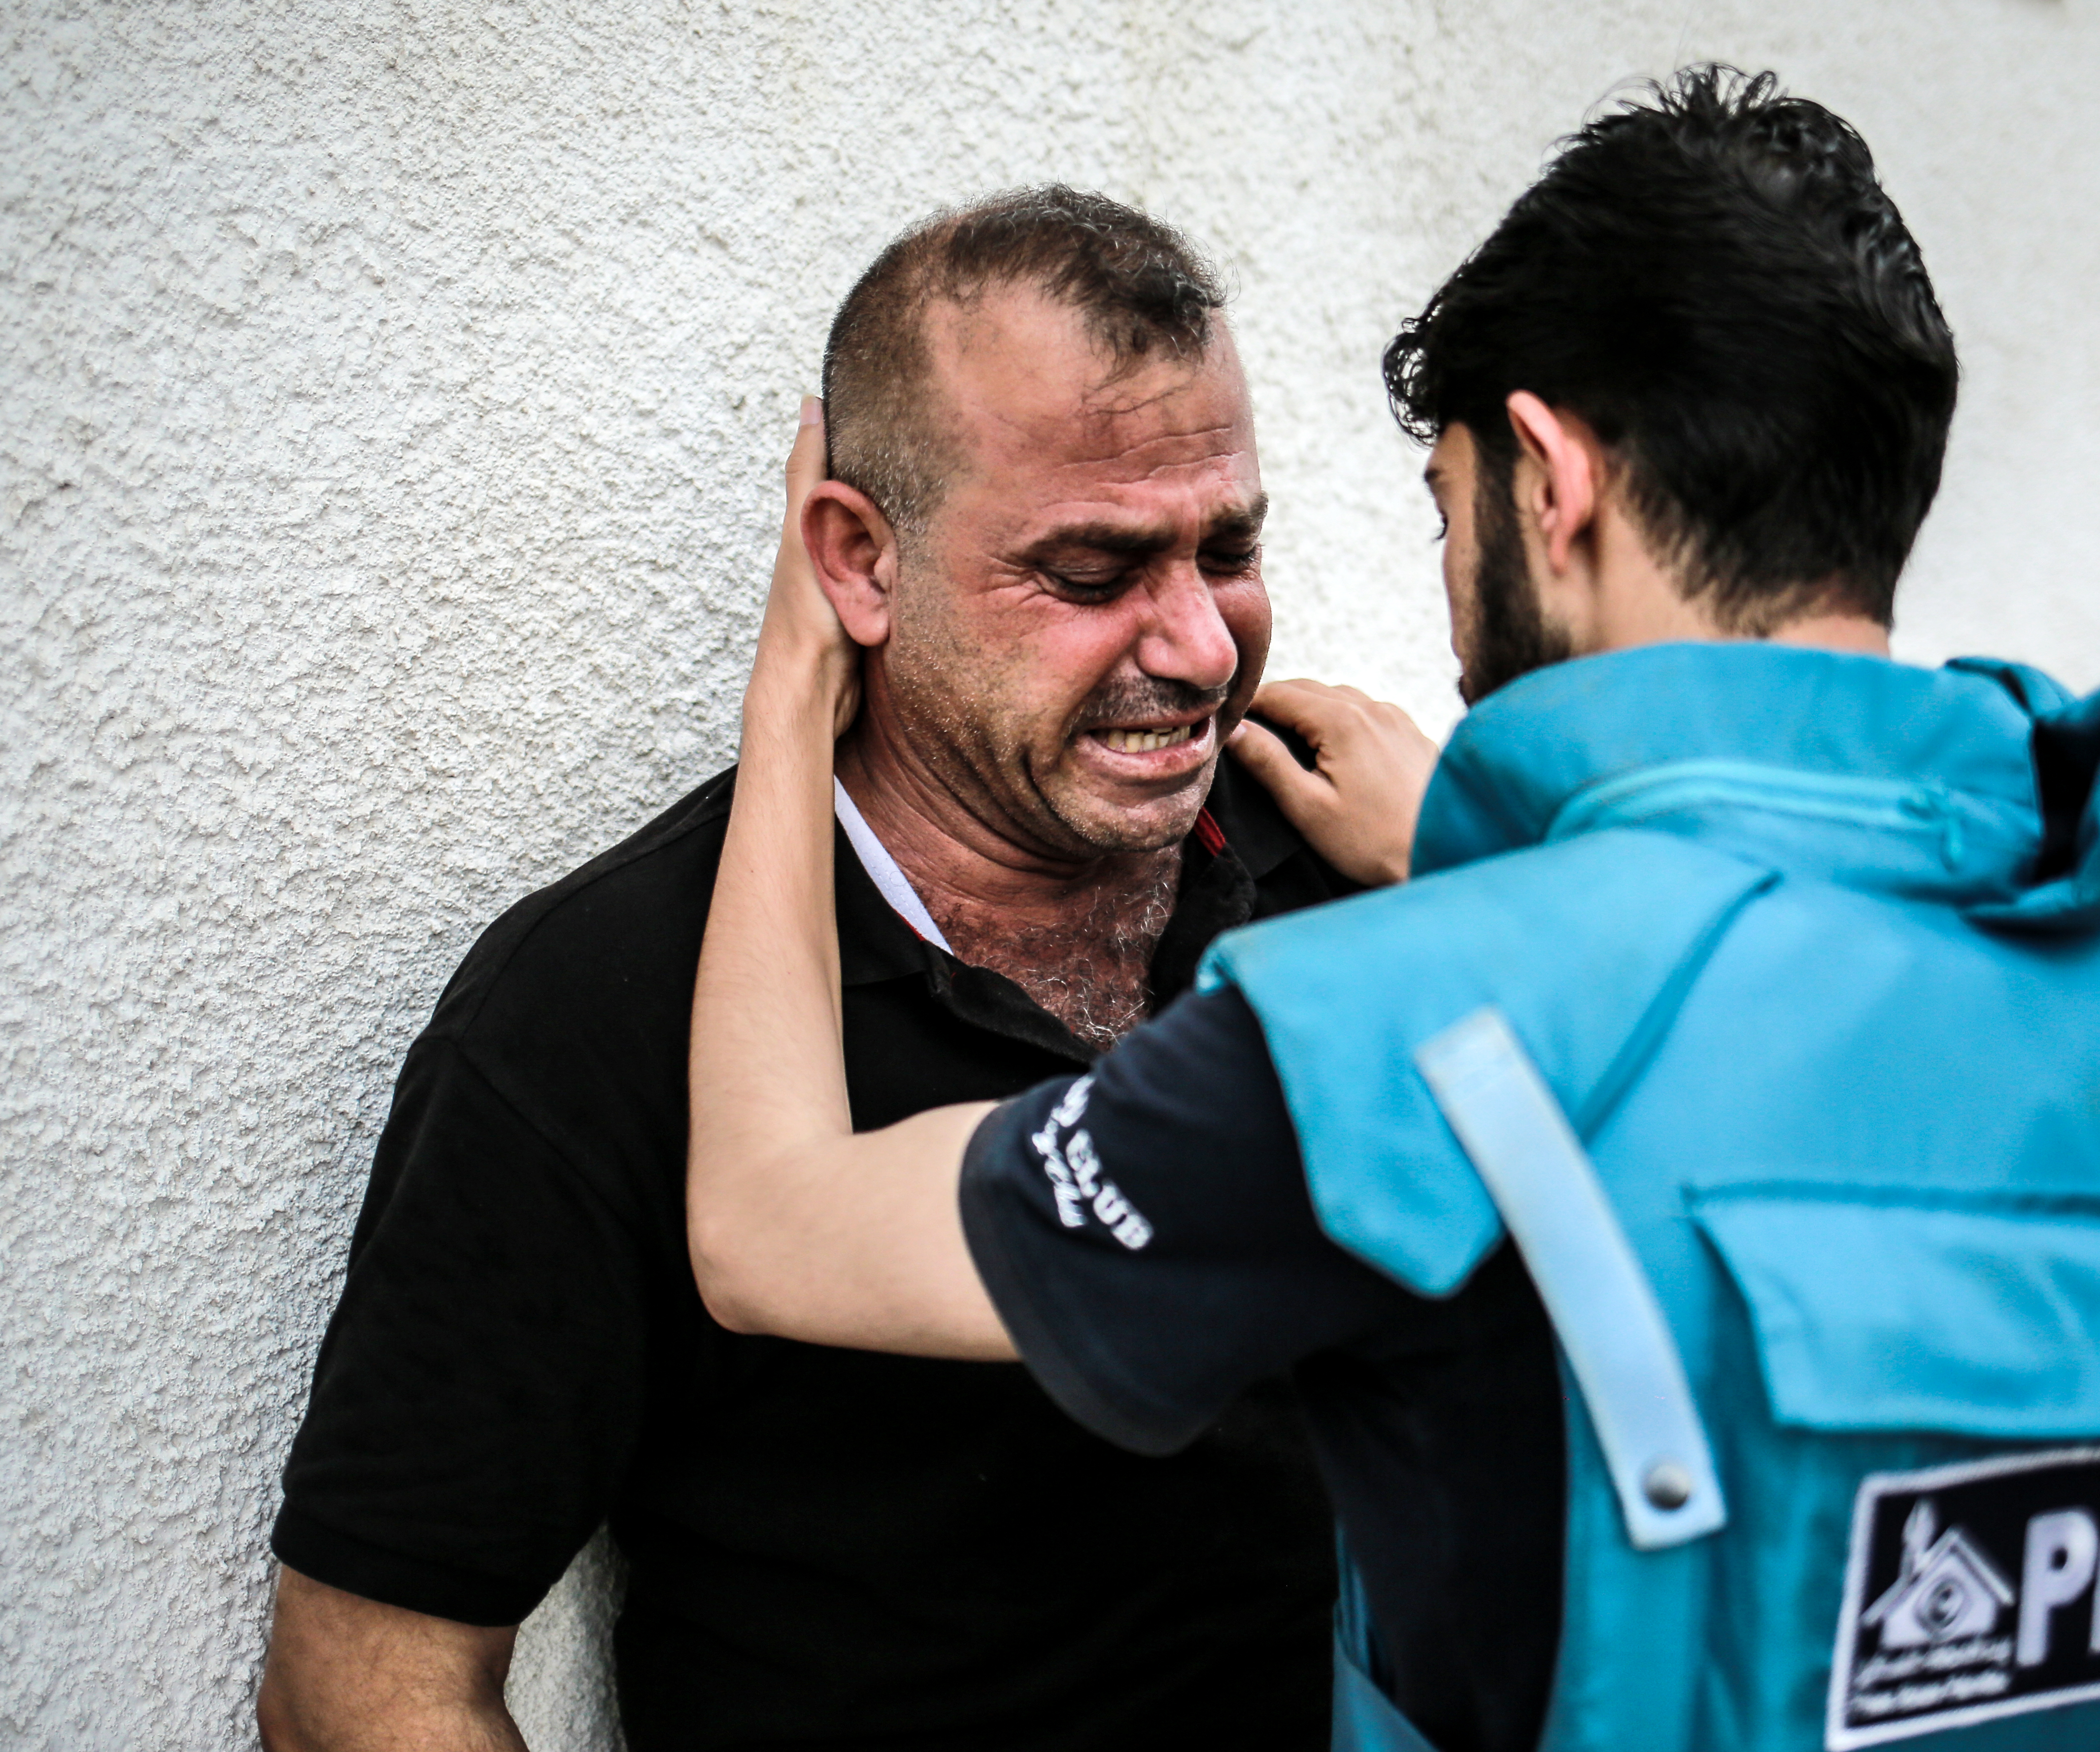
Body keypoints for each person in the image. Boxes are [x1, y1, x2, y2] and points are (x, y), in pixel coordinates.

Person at [685, 69, 2100, 1752]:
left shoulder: (1406, 1034)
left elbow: (770, 1223)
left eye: (1445, 498)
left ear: (1551, 483)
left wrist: (790, 692)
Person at [257, 187, 1437, 1752]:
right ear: (857, 565)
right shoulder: (608, 1006)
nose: (1205, 649)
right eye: (1093, 571)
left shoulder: (1352, 877)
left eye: (1227, 547)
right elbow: (365, 1679)